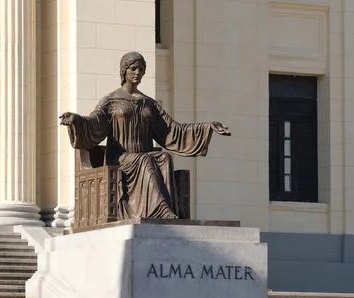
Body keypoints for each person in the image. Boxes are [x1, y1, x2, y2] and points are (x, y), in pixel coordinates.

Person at [59, 51, 231, 220]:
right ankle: (161, 210)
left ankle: (163, 209)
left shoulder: (149, 103)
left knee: (164, 157)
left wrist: (207, 127)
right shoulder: (111, 101)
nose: (137, 73)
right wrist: (76, 120)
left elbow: (172, 130)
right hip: (120, 158)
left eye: (141, 69)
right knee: (145, 160)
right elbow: (94, 122)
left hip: (143, 154)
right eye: (133, 68)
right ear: (124, 70)